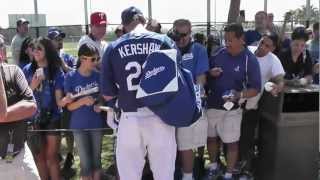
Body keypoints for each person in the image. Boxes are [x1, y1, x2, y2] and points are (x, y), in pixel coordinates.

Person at [101, 6, 176, 180]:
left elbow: (107, 94)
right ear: (143, 21)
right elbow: (177, 84)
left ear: (124, 25)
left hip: (130, 118)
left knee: (129, 175)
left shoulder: (113, 47)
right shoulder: (164, 41)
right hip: (161, 117)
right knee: (164, 175)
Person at [205, 23, 261, 180]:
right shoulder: (218, 54)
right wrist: (210, 73)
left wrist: (238, 94)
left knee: (231, 142)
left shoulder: (249, 59)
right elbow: (205, 75)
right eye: (225, 39)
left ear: (241, 39)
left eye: (230, 40)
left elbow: (256, 88)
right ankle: (214, 167)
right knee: (211, 138)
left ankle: (229, 174)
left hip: (233, 109)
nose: (227, 43)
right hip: (213, 105)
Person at [240, 32, 285, 174]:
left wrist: (278, 87)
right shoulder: (247, 51)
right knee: (231, 137)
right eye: (261, 42)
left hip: (252, 106)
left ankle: (246, 169)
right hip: (234, 101)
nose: (262, 47)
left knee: (247, 138)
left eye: (267, 45)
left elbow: (280, 80)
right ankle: (231, 167)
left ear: (272, 48)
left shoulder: (274, 60)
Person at [171, 19, 209, 180]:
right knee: (170, 143)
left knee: (186, 143)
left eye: (184, 34)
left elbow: (201, 75)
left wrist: (198, 93)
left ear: (190, 32)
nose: (181, 38)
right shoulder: (168, 47)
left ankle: (188, 176)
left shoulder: (198, 49)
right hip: (169, 105)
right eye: (177, 34)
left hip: (189, 104)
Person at [23, 37, 64, 180]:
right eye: (34, 49)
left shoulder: (55, 71)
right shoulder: (27, 70)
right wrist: (33, 85)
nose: (36, 51)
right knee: (39, 158)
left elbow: (59, 100)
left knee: (51, 157)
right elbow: (23, 97)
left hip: (52, 117)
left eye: (39, 48)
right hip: (33, 118)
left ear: (47, 50)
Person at [0, 35, 39, 180]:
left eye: (1, 46)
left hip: (21, 153)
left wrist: (4, 115)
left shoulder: (14, 71)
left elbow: (31, 106)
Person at [64, 43, 103, 180]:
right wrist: (82, 101)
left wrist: (99, 104)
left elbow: (103, 98)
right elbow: (69, 106)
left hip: (96, 124)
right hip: (79, 126)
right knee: (85, 164)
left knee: (97, 162)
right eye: (93, 59)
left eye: (97, 59)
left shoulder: (98, 76)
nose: (96, 62)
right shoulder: (71, 77)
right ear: (82, 58)